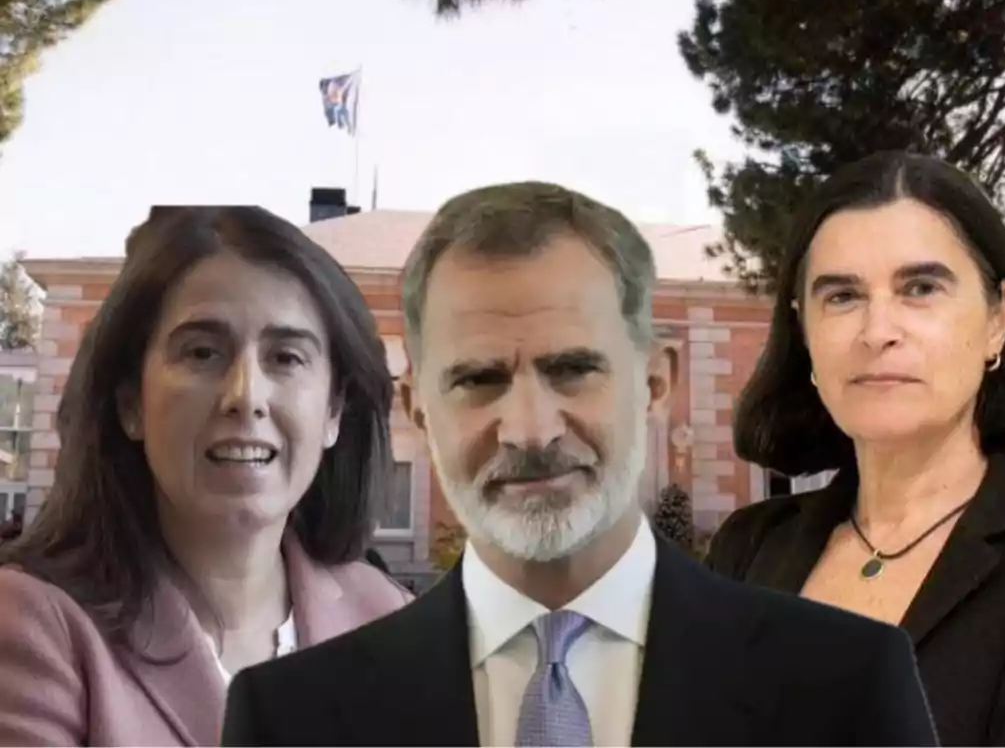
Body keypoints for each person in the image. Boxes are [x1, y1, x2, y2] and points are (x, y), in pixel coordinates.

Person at [221, 182, 937, 747]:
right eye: (478, 379)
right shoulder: (289, 720)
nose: (530, 429)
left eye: (572, 370)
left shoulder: (845, 686)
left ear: (655, 382)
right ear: (415, 408)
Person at [703, 152, 1005, 746]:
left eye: (920, 288)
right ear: (805, 331)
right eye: (841, 296)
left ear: (998, 319)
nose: (877, 330)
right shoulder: (746, 551)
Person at [0, 206, 413, 746]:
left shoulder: (389, 622)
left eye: (286, 358)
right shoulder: (32, 629)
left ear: (334, 412)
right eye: (202, 352)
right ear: (131, 404)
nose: (246, 395)